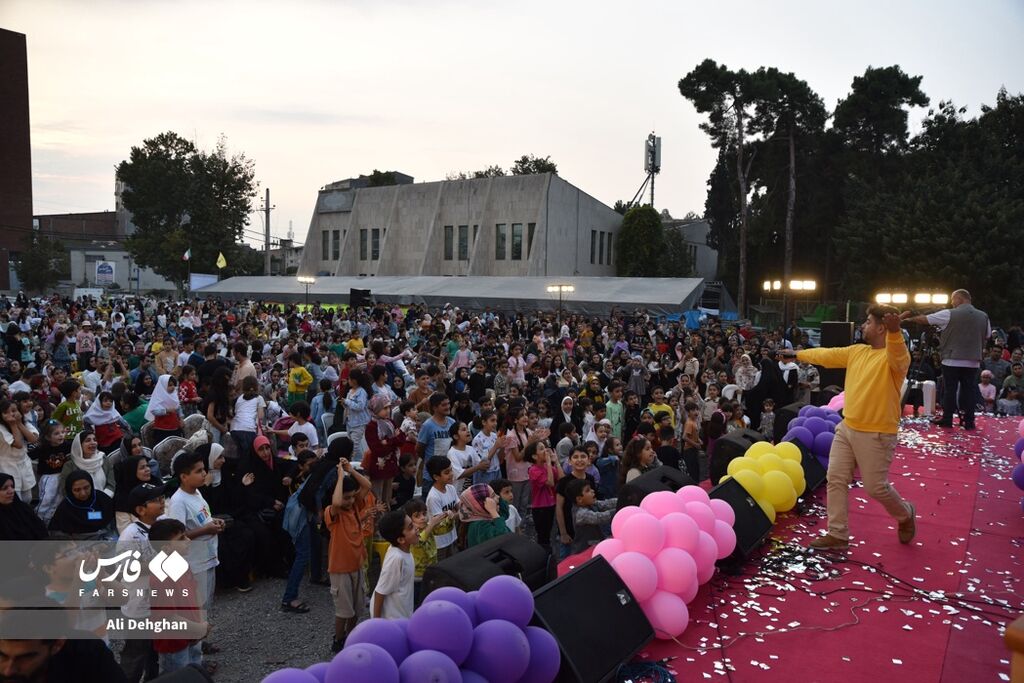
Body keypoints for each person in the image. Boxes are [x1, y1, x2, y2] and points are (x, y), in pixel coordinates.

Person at [782, 305, 914, 550]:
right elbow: (827, 355)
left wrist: (895, 333)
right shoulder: (857, 351)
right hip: (847, 427)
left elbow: (899, 358)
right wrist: (797, 355)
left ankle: (905, 515)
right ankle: (838, 534)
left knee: (875, 488)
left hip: (877, 433)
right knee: (835, 478)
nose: (863, 325)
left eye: (867, 322)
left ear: (881, 328)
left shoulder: (895, 356)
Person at [902, 289, 990, 430]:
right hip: (973, 359)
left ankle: (947, 419)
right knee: (969, 390)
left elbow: (926, 319)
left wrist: (910, 318)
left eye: (953, 300)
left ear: (959, 299)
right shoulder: (984, 316)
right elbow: (987, 335)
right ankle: (969, 421)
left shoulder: (949, 314)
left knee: (950, 389)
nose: (952, 303)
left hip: (952, 358)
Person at [167, 452, 224, 644]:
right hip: (194, 562)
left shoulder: (197, 492)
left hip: (208, 556)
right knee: (195, 606)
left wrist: (213, 522)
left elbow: (202, 518)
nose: (203, 474)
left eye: (203, 469)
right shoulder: (178, 502)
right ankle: (195, 649)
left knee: (205, 603)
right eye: (198, 471)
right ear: (184, 476)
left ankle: (201, 641)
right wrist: (206, 529)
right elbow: (176, 537)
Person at [324, 457, 378, 653]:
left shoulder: (355, 506)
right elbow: (337, 501)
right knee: (343, 611)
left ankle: (351, 636)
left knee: (356, 608)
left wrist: (350, 470)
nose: (349, 500)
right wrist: (340, 476)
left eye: (352, 496)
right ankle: (338, 639)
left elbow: (367, 485)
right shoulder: (332, 512)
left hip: (356, 566)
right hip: (340, 569)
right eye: (347, 497)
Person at [371, 510, 418, 619]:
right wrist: (377, 624)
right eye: (410, 527)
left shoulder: (404, 551)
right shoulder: (396, 558)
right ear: (401, 539)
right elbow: (380, 592)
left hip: (403, 615)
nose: (416, 528)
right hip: (392, 620)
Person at [48, 470, 115, 540]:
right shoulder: (65, 508)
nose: (83, 493)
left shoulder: (101, 498)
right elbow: (57, 533)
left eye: (86, 488)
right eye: (77, 490)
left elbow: (112, 521)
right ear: (70, 490)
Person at [404, 498, 443, 604]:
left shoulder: (427, 527)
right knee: (418, 603)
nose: (423, 518)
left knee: (430, 600)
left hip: (431, 571)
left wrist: (448, 518)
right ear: (409, 519)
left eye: (424, 514)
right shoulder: (411, 533)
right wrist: (431, 525)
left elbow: (443, 530)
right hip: (417, 578)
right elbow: (419, 541)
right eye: (417, 516)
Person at [526, 440, 560, 552]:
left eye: (545, 447)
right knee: (543, 537)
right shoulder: (533, 470)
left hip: (552, 504)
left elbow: (560, 477)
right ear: (534, 456)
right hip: (541, 507)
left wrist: (556, 462)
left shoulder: (547, 466)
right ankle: (544, 557)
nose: (545, 450)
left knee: (552, 533)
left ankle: (551, 555)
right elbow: (550, 482)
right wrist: (549, 463)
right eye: (541, 449)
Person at [0, 399, 37, 502]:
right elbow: (18, 444)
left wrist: (19, 424)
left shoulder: (25, 423)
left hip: (23, 462)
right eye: (6, 412)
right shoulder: (1, 428)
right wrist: (13, 425)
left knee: (28, 497)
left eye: (14, 410)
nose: (11, 414)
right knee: (15, 497)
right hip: (7, 465)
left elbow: (33, 439)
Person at [567, 478, 617, 554]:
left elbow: (606, 504)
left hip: (596, 546)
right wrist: (620, 508)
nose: (592, 491)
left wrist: (621, 500)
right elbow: (600, 517)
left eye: (591, 489)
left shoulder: (591, 503)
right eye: (587, 490)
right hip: (584, 551)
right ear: (579, 499)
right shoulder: (581, 514)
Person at [425, 456, 459, 559]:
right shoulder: (433, 497)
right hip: (439, 543)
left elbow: (460, 506)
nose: (451, 474)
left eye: (451, 470)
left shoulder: (451, 488)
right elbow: (442, 521)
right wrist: (457, 514)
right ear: (436, 477)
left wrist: (455, 514)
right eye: (446, 472)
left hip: (452, 536)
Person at [458, 483, 510, 548]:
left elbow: (505, 514)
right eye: (493, 496)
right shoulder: (480, 526)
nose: (498, 497)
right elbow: (504, 538)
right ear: (482, 504)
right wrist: (493, 512)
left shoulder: (484, 515)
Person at [0, 472, 48, 540]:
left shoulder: (22, 509)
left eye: (12, 486)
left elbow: (41, 529)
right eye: (4, 488)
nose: (11, 491)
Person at [145, 375, 183, 442]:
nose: (173, 387)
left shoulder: (173, 395)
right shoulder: (158, 397)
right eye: (170, 385)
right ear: (163, 386)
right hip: (162, 429)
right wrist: (166, 410)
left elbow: (178, 407)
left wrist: (181, 418)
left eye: (174, 385)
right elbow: (154, 411)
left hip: (175, 426)